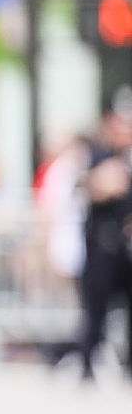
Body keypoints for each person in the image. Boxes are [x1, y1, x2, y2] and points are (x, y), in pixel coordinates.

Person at [73, 107, 132, 381]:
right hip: (102, 244)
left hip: (125, 246)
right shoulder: (99, 156)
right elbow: (84, 188)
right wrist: (101, 182)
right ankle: (88, 364)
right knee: (95, 308)